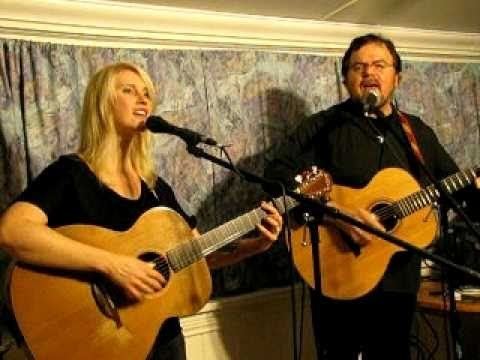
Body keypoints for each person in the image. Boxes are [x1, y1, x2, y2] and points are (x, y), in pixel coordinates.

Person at [0, 62, 283, 359]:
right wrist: (113, 265)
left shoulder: (155, 188)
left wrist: (254, 245)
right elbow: (12, 231)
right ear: (103, 103)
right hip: (103, 343)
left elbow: (198, 254)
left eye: (147, 93)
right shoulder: (70, 174)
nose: (143, 99)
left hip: (165, 341)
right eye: (129, 90)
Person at [264, 33, 480, 359]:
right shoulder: (323, 126)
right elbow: (275, 176)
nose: (368, 72)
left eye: (379, 65)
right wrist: (336, 213)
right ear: (346, 79)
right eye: (358, 67)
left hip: (398, 281)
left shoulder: (416, 133)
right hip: (336, 271)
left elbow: (456, 191)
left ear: (398, 77)